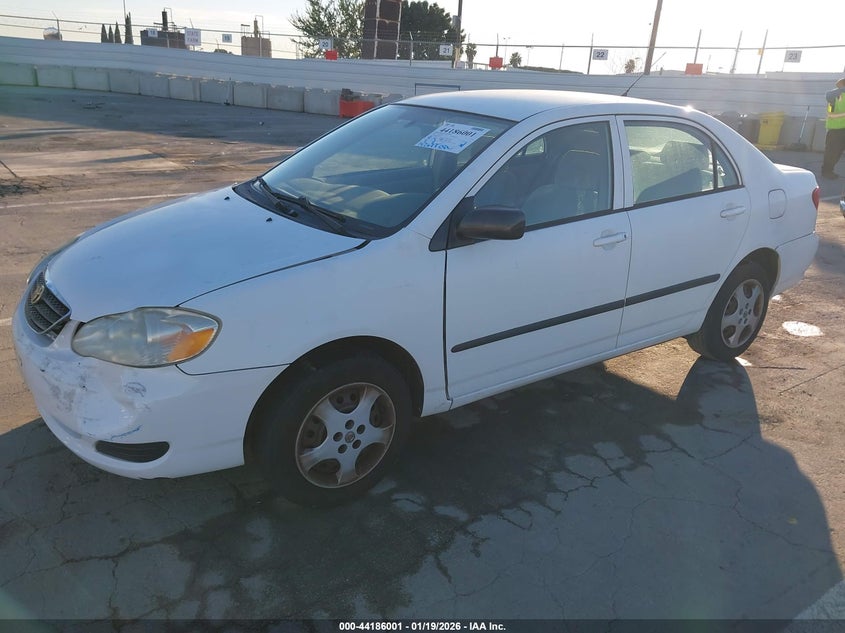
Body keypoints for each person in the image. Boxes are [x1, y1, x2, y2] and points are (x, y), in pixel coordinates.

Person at [821, 77, 845, 180]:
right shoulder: (834, 97)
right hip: (835, 130)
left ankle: (828, 171)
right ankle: (826, 171)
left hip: (842, 129)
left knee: (837, 153)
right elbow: (830, 114)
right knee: (832, 153)